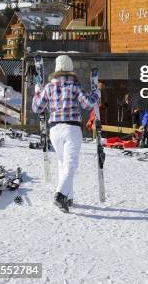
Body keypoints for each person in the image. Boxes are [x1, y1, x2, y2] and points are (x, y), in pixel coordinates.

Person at [32, 55, 99, 212]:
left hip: (55, 130)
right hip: (72, 128)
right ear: (70, 70)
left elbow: (37, 108)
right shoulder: (74, 86)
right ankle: (60, 195)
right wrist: (97, 94)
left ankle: (68, 198)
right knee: (71, 164)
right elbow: (88, 104)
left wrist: (36, 92)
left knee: (63, 163)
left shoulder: (48, 87)